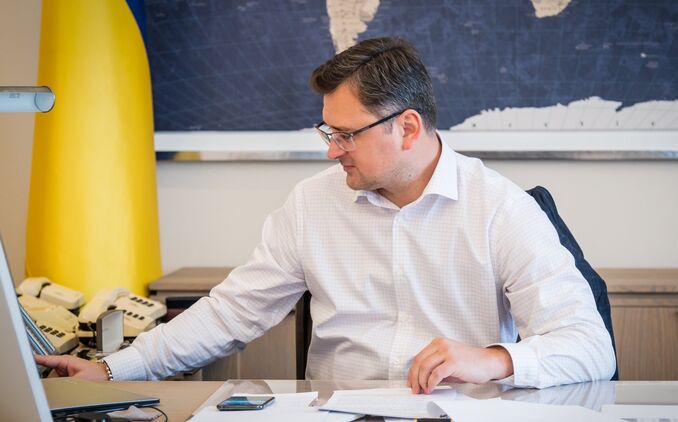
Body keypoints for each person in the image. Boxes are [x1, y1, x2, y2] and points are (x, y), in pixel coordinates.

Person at [36, 37, 615, 393]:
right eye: (327, 132)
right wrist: (111, 370)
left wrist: (493, 360)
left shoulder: (502, 209)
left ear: (407, 127)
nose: (331, 150)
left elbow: (590, 347)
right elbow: (231, 313)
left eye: (346, 135)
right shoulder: (312, 204)